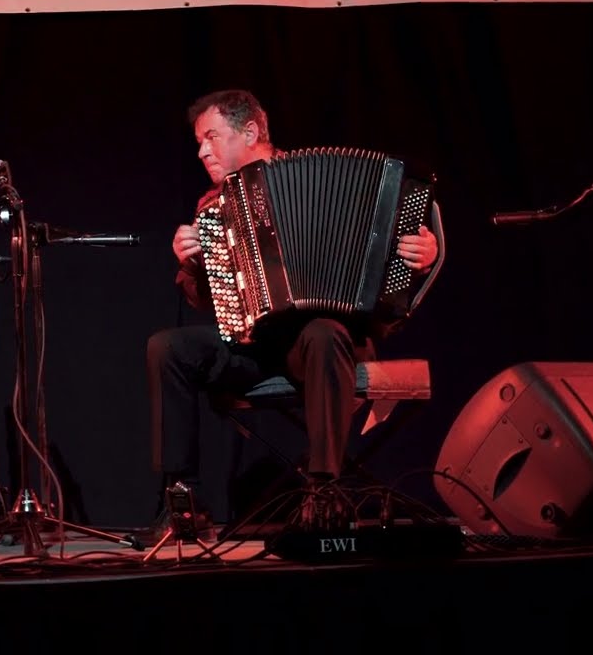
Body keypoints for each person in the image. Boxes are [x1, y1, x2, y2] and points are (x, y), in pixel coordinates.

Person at [145, 90, 439, 537]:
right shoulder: (215, 204)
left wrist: (424, 256)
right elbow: (204, 299)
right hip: (255, 346)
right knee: (168, 347)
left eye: (211, 137)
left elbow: (402, 256)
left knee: (323, 333)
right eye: (199, 142)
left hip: (327, 344)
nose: (202, 151)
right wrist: (193, 263)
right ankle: (182, 501)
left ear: (249, 132)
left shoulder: (335, 180)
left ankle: (324, 490)